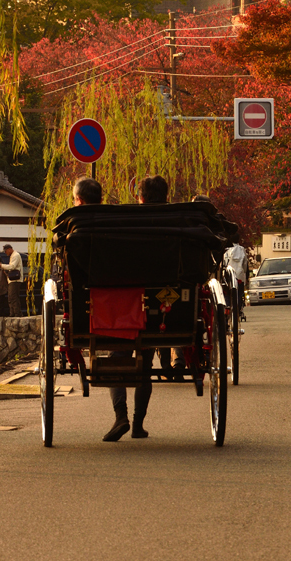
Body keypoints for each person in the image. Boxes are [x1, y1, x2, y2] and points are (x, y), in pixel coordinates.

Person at [104, 175, 168, 441]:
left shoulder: (125, 221)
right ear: (166, 197)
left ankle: (121, 416)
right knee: (146, 363)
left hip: (125, 303)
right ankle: (138, 425)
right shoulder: (177, 219)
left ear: (140, 197)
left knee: (116, 359)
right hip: (166, 303)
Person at [0, 243, 24, 316]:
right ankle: (13, 313)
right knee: (11, 297)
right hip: (12, 279)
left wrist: (1, 265)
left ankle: (16, 313)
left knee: (13, 297)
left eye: (6, 251)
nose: (5, 253)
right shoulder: (13, 256)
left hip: (15, 280)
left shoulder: (15, 255)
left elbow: (12, 266)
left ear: (9, 249)